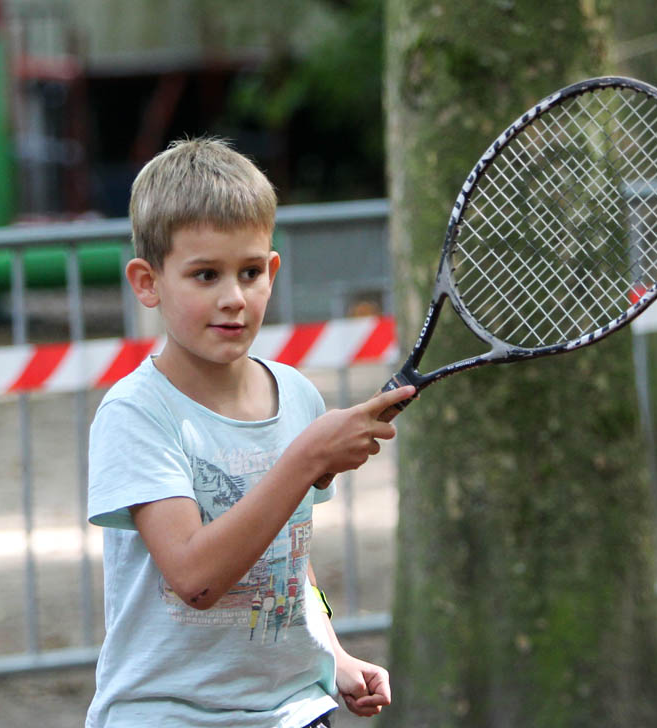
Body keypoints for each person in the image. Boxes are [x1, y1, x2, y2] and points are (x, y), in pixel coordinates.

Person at [85, 137, 414, 728]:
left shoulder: (298, 395)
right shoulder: (136, 413)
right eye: (205, 274)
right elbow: (194, 580)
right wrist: (306, 458)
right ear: (147, 282)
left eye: (250, 272)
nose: (234, 298)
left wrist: (333, 654)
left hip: (294, 711)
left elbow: (288, 561)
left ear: (272, 271)